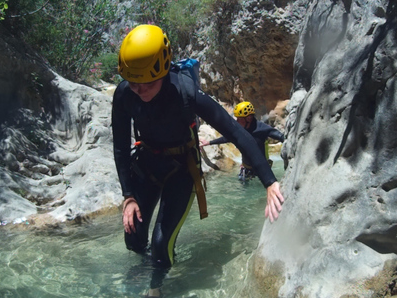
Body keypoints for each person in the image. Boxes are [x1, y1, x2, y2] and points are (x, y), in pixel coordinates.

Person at [111, 24, 284, 298]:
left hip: (182, 170)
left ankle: (157, 288)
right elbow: (120, 146)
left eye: (148, 83)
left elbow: (236, 132)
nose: (140, 91)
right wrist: (128, 196)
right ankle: (149, 272)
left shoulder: (186, 92)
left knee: (160, 244)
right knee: (133, 239)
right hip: (146, 165)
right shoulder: (124, 95)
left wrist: (270, 182)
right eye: (134, 83)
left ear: (164, 70)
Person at [200, 101, 285, 182]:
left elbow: (281, 136)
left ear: (248, 118)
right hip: (246, 169)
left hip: (262, 169)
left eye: (239, 119)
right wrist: (209, 142)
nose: (237, 121)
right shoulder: (239, 130)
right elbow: (227, 138)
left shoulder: (262, 128)